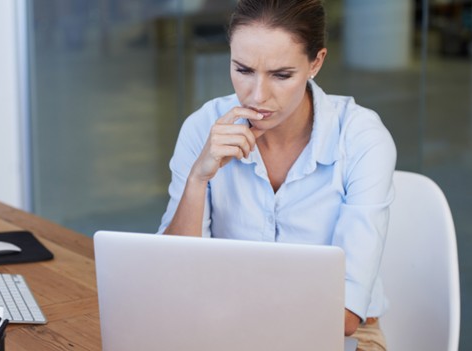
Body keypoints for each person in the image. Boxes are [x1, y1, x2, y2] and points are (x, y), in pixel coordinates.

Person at [157, 0, 396, 350]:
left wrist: (228, 313)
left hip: (334, 333)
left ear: (316, 62)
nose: (257, 96)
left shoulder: (361, 139)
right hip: (222, 327)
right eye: (242, 70)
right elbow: (171, 279)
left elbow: (344, 315)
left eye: (281, 75)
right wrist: (197, 180)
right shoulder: (202, 128)